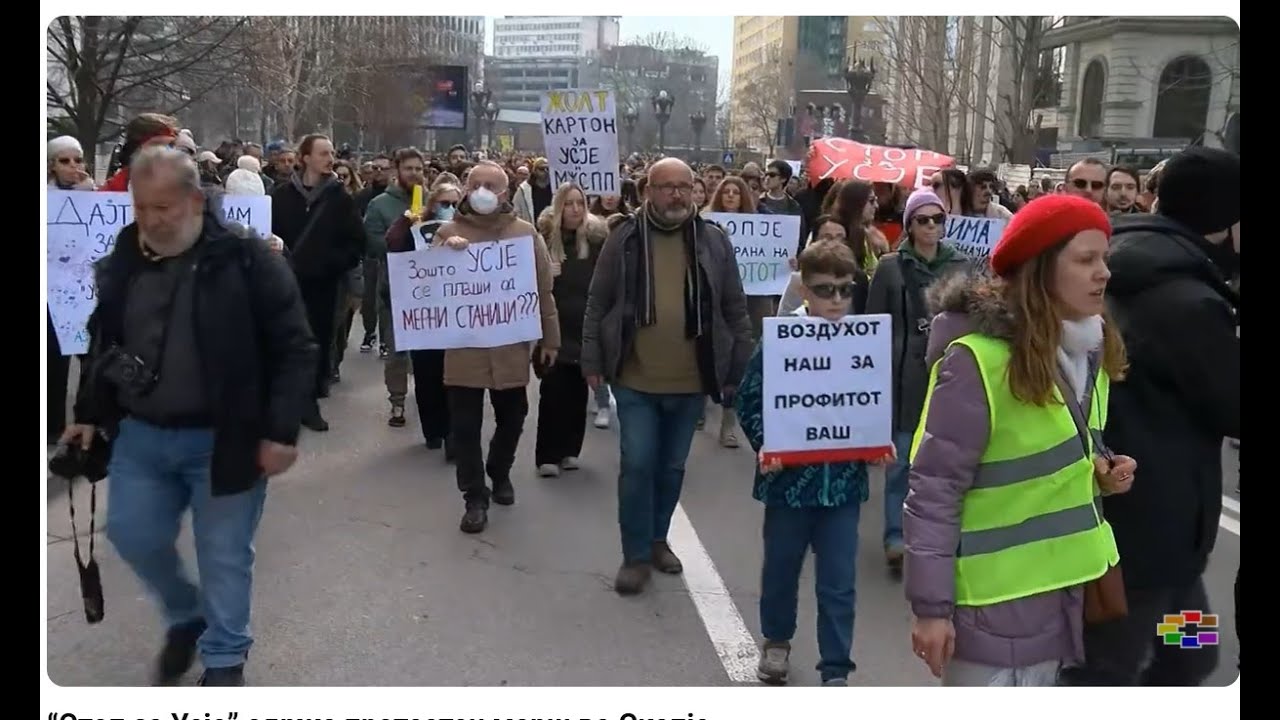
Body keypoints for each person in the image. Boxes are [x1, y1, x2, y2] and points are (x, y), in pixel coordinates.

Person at [61, 147, 315, 686]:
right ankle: (185, 615)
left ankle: (224, 659)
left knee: (223, 555)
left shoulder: (249, 262)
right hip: (142, 436)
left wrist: (280, 430)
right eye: (143, 207)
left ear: (197, 201)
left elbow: (295, 348)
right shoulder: (123, 261)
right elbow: (103, 340)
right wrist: (87, 412)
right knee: (132, 535)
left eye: (165, 207)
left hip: (227, 439)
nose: (153, 220)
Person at [905, 194, 1133, 686]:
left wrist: (1102, 469)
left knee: (1191, 645)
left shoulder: (1088, 349)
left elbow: (1061, 446)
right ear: (1042, 268)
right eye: (1086, 259)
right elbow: (933, 491)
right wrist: (931, 610)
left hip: (1069, 590)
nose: (1104, 273)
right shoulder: (977, 361)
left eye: (1105, 259)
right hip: (993, 605)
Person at [1062, 147, 1240, 686]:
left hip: (1165, 547)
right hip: (1143, 540)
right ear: (1223, 223)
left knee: (1191, 656)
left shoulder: (1134, 261)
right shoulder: (1187, 302)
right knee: (1104, 674)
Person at [580, 158, 754, 595]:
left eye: (685, 186)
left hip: (692, 380)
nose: (677, 194)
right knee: (638, 464)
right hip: (635, 378)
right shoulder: (623, 238)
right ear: (647, 192)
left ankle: (658, 539)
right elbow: (598, 302)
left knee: (672, 466)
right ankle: (635, 555)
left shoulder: (714, 241)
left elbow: (734, 306)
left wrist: (739, 367)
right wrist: (591, 359)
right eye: (667, 187)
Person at [734, 239, 885, 686]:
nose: (837, 300)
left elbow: (870, 402)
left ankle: (836, 666)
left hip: (841, 486)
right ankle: (776, 642)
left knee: (838, 581)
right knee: (781, 568)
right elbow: (749, 400)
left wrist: (873, 441)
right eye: (825, 290)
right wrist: (769, 444)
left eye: (845, 289)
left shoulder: (863, 341)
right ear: (804, 291)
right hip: (788, 484)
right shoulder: (781, 340)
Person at [435, 161, 560, 534]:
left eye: (492, 185)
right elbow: (426, 287)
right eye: (477, 184)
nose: (484, 190)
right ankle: (474, 496)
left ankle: (499, 470)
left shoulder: (525, 235)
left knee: (514, 415)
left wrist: (550, 339)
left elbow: (542, 290)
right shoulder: (447, 232)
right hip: (464, 349)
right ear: (466, 189)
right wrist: (443, 251)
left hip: (509, 347)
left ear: (505, 193)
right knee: (465, 426)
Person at [865, 188, 968, 571]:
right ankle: (896, 536)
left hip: (950, 374)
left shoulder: (961, 264)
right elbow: (874, 324)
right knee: (901, 463)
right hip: (904, 375)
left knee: (947, 465)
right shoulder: (891, 267)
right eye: (922, 220)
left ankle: (939, 541)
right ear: (909, 224)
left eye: (937, 219)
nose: (931, 227)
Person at [534, 183, 608, 476]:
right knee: (552, 390)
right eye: (569, 203)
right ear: (558, 207)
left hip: (585, 326)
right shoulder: (544, 241)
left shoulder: (595, 242)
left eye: (580, 203)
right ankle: (547, 455)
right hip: (554, 326)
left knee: (577, 392)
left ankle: (569, 450)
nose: (575, 209)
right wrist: (545, 275)